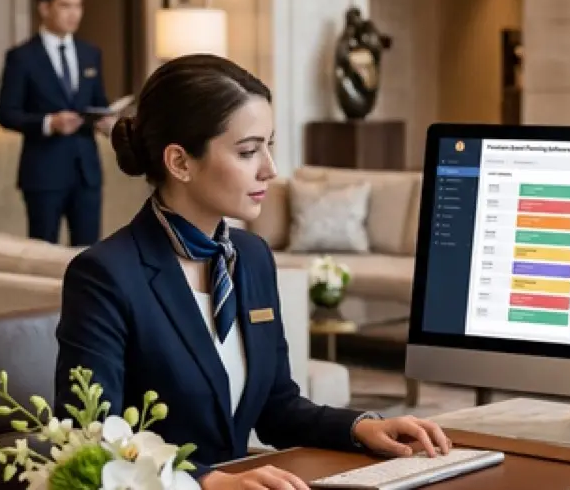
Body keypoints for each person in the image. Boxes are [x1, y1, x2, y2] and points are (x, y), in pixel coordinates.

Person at [55, 54, 451, 489]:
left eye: (270, 145)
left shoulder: (252, 257)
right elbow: (90, 441)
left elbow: (277, 407)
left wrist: (359, 427)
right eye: (248, 151)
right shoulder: (105, 275)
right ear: (180, 162)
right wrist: (206, 482)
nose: (270, 168)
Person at [0, 0, 116, 246]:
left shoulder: (90, 53)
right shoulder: (22, 57)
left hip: (86, 171)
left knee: (89, 253)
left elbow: (98, 101)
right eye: (65, 5)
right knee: (42, 250)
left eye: (79, 6)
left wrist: (106, 121)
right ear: (44, 7)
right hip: (43, 173)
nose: (74, 14)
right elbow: (7, 113)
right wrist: (49, 123)